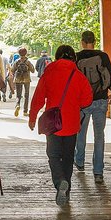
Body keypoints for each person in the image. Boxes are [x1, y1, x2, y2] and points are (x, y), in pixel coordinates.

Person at [28, 45, 93, 206]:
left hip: (53, 123)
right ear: (73, 58)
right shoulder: (78, 75)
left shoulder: (49, 72)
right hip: (71, 124)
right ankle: (66, 191)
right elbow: (87, 100)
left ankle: (60, 182)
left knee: (54, 156)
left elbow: (38, 97)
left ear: (57, 57)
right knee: (68, 158)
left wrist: (32, 116)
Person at [74, 31, 111, 184]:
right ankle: (98, 171)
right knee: (99, 136)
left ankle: (79, 161)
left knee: (81, 133)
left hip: (82, 102)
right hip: (101, 100)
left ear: (82, 42)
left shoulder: (77, 57)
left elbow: (73, 79)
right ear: (95, 41)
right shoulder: (103, 56)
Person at [11, 47, 35, 117]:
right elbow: (33, 71)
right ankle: (25, 111)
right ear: (26, 53)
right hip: (26, 79)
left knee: (18, 95)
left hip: (18, 79)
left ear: (19, 53)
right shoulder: (28, 62)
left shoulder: (17, 61)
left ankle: (17, 105)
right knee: (26, 95)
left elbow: (12, 70)